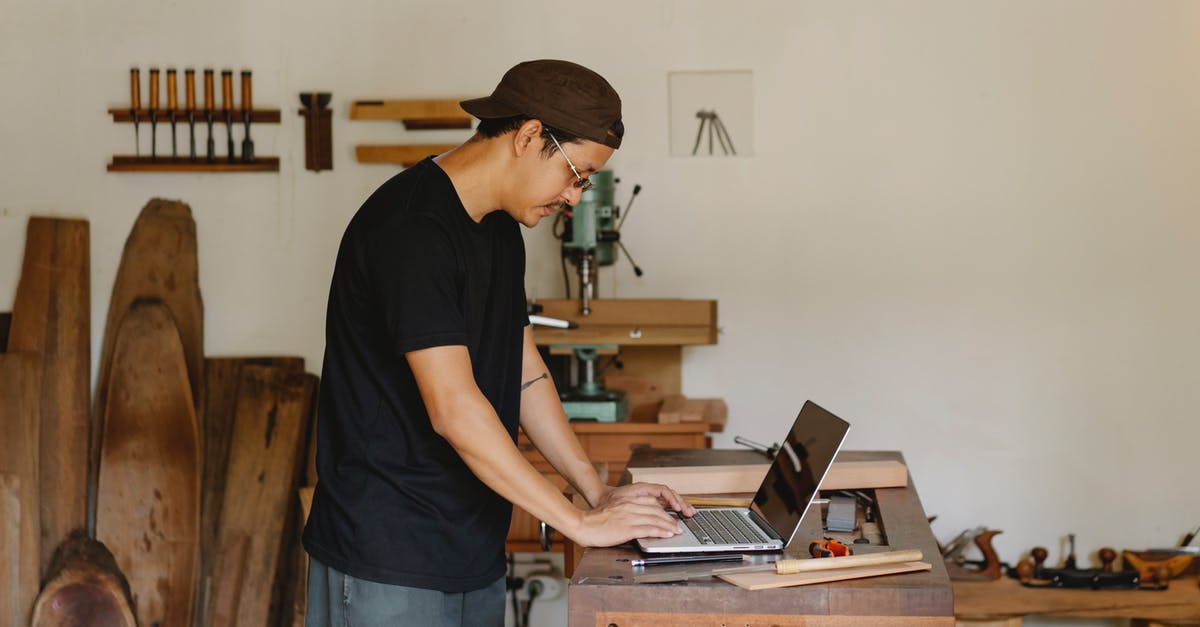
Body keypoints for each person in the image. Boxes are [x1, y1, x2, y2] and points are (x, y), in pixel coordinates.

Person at [301, 59, 696, 626]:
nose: (575, 198)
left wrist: (594, 490)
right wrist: (578, 524)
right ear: (530, 136)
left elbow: (522, 366)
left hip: (469, 551)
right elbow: (454, 411)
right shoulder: (412, 229)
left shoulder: (501, 229)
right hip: (387, 560)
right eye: (577, 175)